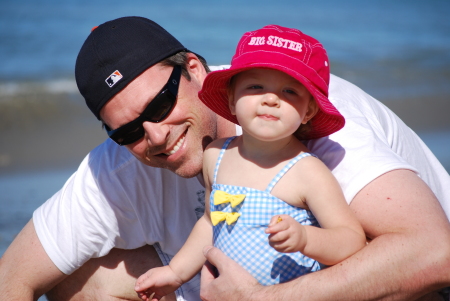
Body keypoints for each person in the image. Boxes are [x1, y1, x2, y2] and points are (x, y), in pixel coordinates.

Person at [0, 16, 449, 301]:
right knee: (83, 280)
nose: (156, 136)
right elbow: (13, 278)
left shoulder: (297, 115)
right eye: (129, 130)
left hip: (387, 284)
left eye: (159, 105)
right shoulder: (121, 166)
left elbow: (434, 252)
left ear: (194, 70)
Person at [134, 25, 366, 300]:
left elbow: (351, 240)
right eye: (255, 86)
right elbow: (210, 223)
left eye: (290, 91)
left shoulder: (306, 170)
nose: (270, 99)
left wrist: (305, 239)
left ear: (308, 111)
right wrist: (175, 272)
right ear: (232, 99)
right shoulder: (216, 156)